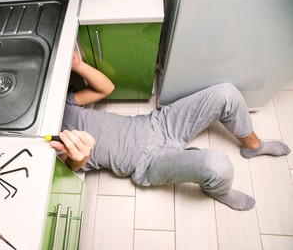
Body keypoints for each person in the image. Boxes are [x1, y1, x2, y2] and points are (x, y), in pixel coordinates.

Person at [50, 53, 290, 211]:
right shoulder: (53, 145)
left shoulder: (65, 105)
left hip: (156, 124)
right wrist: (80, 154)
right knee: (218, 165)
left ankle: (253, 145)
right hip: (147, 163)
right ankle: (220, 191)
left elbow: (106, 88)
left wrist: (79, 65)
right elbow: (70, 168)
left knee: (226, 93)